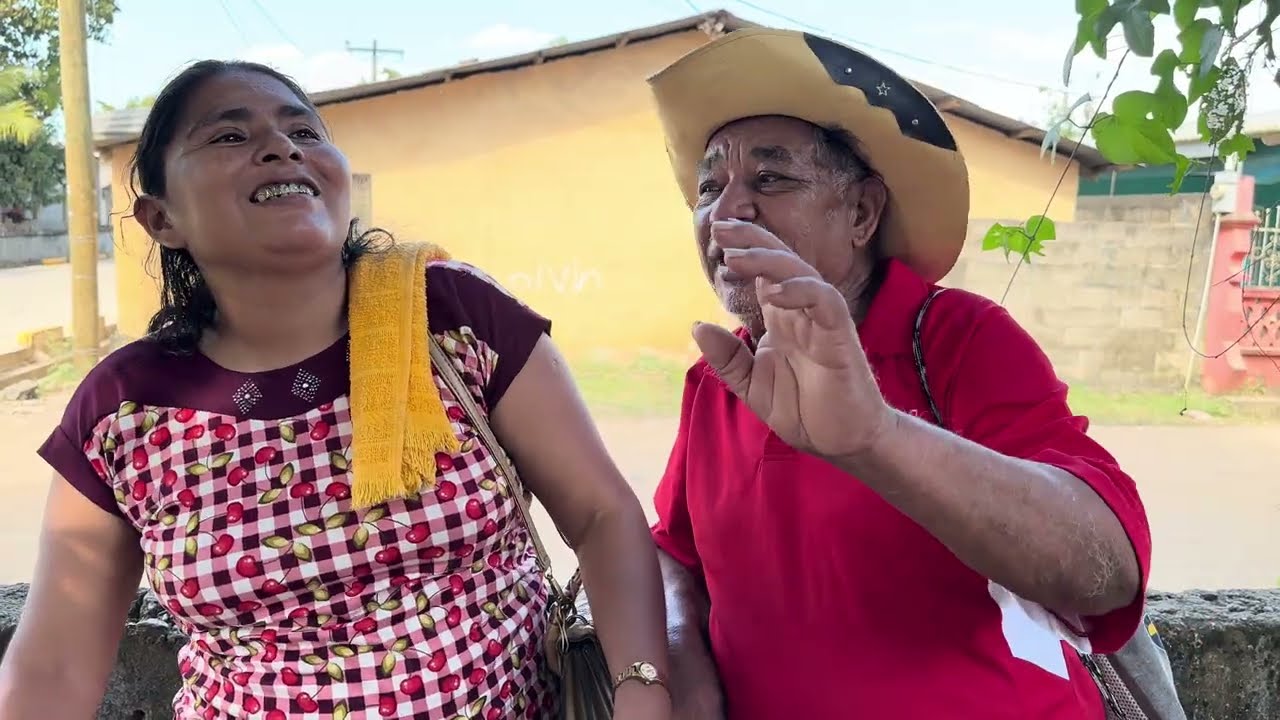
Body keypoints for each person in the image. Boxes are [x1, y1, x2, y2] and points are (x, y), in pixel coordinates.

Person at [0, 60, 671, 720]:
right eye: (230, 136)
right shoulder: (124, 408)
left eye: (305, 132)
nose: (281, 147)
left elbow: (601, 515)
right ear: (161, 219)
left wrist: (642, 688)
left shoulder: (451, 317)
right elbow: (55, 666)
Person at [643, 27, 1153, 720]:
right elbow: (676, 552)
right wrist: (680, 651)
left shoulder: (957, 338)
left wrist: (875, 439)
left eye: (770, 178)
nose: (727, 211)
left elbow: (1106, 573)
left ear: (861, 212)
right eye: (710, 187)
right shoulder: (717, 379)